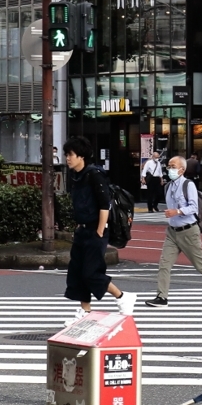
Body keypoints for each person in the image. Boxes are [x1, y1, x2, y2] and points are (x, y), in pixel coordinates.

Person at [62, 137, 136, 325]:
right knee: (77, 272)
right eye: (67, 155)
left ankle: (122, 296)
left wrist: (100, 231)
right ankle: (85, 311)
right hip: (82, 230)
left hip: (96, 230)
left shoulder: (95, 174)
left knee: (91, 272)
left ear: (81, 156)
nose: (67, 158)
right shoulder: (76, 176)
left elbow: (105, 204)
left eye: (70, 154)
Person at [144, 156, 202, 307]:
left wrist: (177, 211)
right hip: (172, 232)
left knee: (200, 264)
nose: (170, 169)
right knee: (164, 264)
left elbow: (193, 208)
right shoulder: (168, 186)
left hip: (189, 231)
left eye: (173, 166)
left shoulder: (188, 185)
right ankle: (162, 297)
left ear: (182, 170)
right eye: (169, 166)